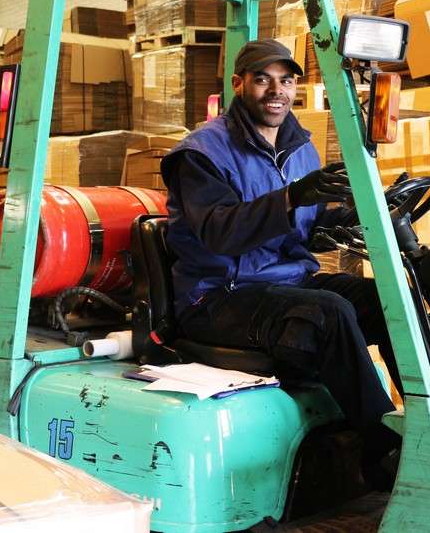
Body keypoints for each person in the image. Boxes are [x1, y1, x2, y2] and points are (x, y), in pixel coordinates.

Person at [160, 39, 402, 487]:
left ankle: (429, 419)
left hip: (284, 284)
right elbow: (220, 231)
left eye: (286, 80)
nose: (277, 91)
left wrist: (373, 212)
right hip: (218, 297)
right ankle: (382, 448)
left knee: (387, 299)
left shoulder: (298, 149)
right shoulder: (200, 154)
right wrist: (293, 196)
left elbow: (307, 226)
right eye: (262, 79)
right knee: (329, 313)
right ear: (238, 84)